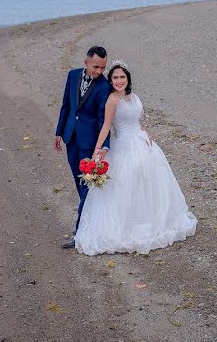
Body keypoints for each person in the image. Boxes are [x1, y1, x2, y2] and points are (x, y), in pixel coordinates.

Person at [75, 61, 197, 255]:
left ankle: (155, 220)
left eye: (122, 77)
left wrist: (144, 131)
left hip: (143, 144)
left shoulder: (134, 97)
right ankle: (130, 227)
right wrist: (97, 152)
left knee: (150, 183)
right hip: (124, 146)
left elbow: (135, 121)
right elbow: (106, 127)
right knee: (128, 184)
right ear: (111, 80)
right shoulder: (112, 100)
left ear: (128, 78)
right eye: (115, 77)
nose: (119, 81)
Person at [54, 46, 112, 249]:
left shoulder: (104, 86)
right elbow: (66, 105)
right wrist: (59, 131)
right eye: (96, 66)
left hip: (90, 144)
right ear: (86, 62)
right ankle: (92, 222)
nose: (99, 71)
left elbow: (102, 119)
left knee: (87, 187)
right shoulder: (72, 76)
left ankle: (80, 233)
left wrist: (102, 146)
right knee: (79, 185)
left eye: (103, 68)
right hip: (71, 137)